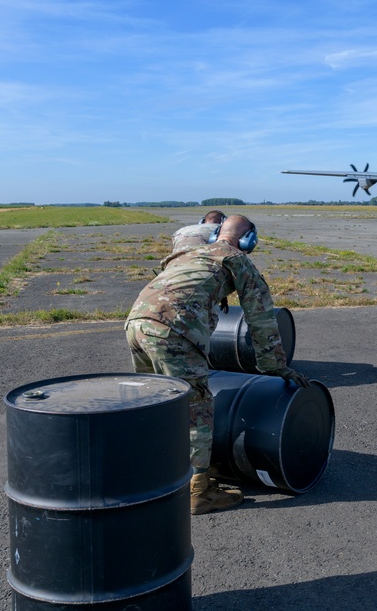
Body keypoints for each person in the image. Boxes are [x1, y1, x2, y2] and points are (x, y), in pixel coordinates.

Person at [125, 214, 310, 514]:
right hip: (173, 330)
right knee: (195, 408)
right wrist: (275, 366)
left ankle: (152, 473)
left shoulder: (187, 253)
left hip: (136, 323)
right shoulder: (237, 259)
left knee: (154, 402)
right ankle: (198, 491)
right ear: (249, 239)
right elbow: (261, 318)